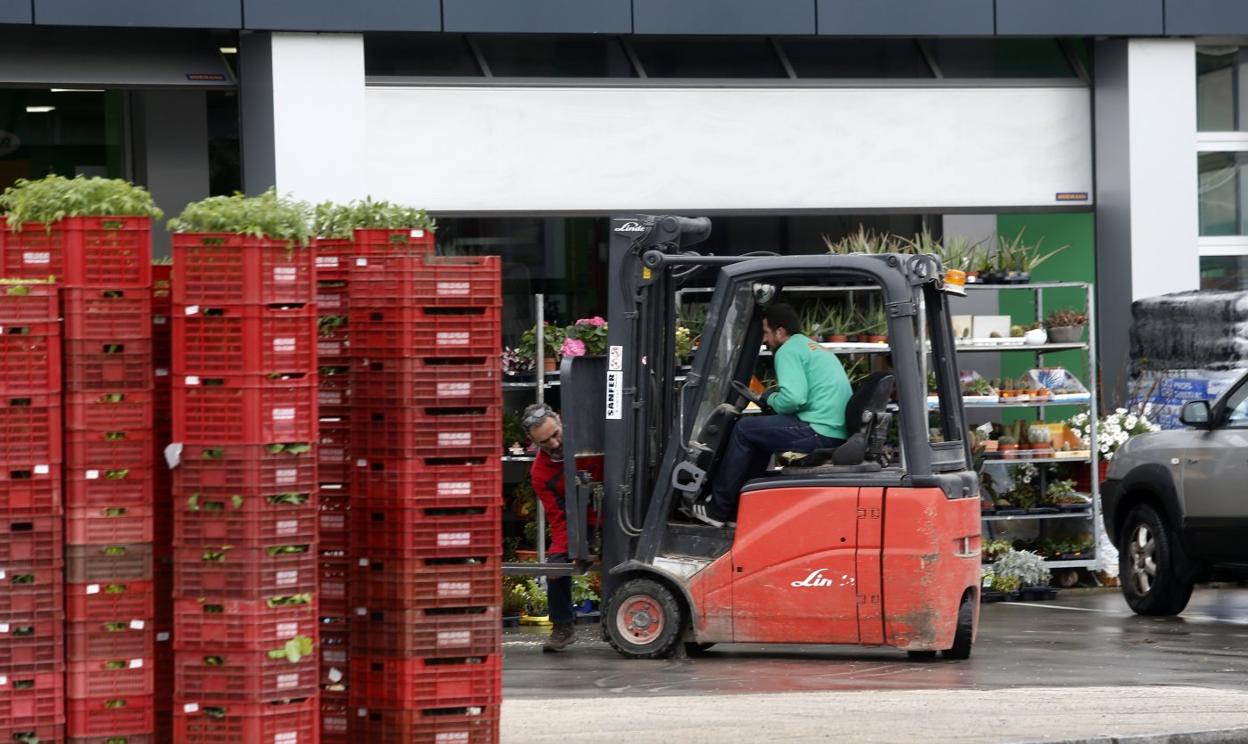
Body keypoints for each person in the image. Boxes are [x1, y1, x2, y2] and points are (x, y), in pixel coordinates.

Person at [692, 303, 852, 528]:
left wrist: (769, 399)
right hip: (831, 428)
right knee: (757, 436)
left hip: (818, 429)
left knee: (743, 429)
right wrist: (772, 398)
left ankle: (717, 510)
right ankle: (739, 510)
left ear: (780, 332)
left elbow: (794, 399)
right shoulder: (809, 346)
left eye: (766, 333)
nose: (765, 340)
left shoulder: (788, 350)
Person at [522, 402, 602, 652]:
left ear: (559, 419)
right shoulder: (540, 473)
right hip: (580, 526)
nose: (554, 444)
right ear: (533, 441)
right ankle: (563, 627)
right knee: (555, 569)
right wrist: (562, 554)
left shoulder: (591, 440)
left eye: (555, 435)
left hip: (615, 515)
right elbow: (559, 517)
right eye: (545, 442)